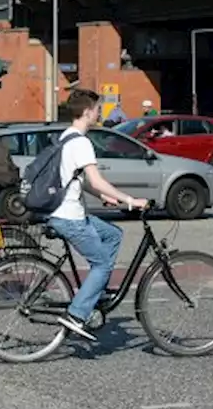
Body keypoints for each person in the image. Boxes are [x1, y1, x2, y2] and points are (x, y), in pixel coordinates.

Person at [46, 88, 148, 340]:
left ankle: (96, 291)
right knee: (102, 264)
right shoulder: (81, 142)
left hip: (64, 212)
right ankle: (76, 315)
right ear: (87, 112)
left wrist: (102, 196)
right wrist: (129, 200)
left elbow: (78, 178)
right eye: (97, 109)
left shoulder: (66, 136)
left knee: (112, 233)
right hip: (70, 217)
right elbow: (96, 178)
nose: (99, 113)